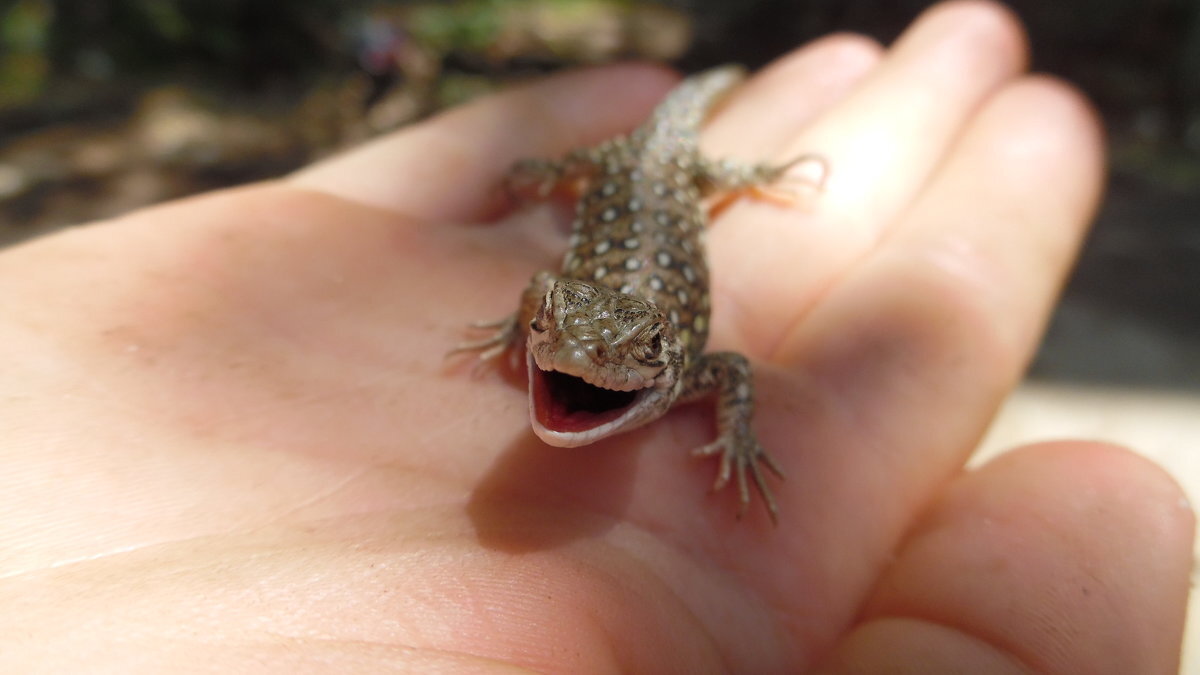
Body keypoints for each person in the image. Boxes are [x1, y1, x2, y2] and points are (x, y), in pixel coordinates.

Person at [0, 1, 1190, 671]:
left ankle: (721, 126)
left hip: (665, 186)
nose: (572, 372)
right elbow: (548, 313)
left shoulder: (681, 366)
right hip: (615, 197)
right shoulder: (566, 321)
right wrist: (523, 321)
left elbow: (723, 368)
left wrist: (737, 433)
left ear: (653, 370)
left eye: (616, 367)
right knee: (594, 172)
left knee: (673, 157)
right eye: (571, 353)